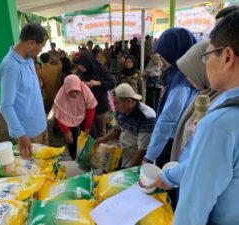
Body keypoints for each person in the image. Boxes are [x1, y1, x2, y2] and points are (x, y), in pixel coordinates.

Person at [173, 10, 239, 224]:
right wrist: (166, 178)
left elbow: (191, 212)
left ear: (227, 57)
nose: (206, 63)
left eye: (208, 55)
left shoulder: (219, 124)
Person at [142, 28, 197, 168]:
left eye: (163, 53)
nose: (161, 58)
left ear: (174, 50)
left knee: (165, 180)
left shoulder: (182, 80)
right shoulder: (181, 72)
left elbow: (167, 120)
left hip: (172, 141)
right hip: (174, 138)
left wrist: (149, 156)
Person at [0, 23, 48, 157]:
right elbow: (5, 106)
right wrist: (21, 135)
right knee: (35, 173)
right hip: (28, 134)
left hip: (40, 126)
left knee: (46, 169)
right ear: (32, 43)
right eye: (41, 47)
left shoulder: (28, 59)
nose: (41, 51)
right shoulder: (11, 67)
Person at [96, 83, 156, 167]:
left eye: (117, 103)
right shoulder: (121, 110)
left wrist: (130, 170)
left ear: (129, 101)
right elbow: (116, 130)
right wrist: (102, 139)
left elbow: (142, 150)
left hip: (136, 158)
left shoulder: (147, 117)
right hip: (123, 151)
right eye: (114, 103)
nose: (115, 107)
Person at [54, 75, 97, 159]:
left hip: (85, 116)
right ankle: (74, 158)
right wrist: (66, 131)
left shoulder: (85, 91)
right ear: (66, 89)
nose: (74, 94)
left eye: (77, 91)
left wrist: (87, 128)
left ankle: (89, 159)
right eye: (71, 92)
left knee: (90, 139)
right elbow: (59, 116)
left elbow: (91, 109)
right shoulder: (60, 97)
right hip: (68, 119)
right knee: (72, 141)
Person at [76, 51, 116, 138]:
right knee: (87, 132)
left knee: (101, 132)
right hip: (86, 107)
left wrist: (97, 83)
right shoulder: (79, 72)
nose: (80, 67)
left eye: (82, 65)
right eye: (79, 64)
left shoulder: (101, 69)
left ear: (89, 63)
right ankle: (90, 150)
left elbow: (112, 83)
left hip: (100, 106)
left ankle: (100, 149)